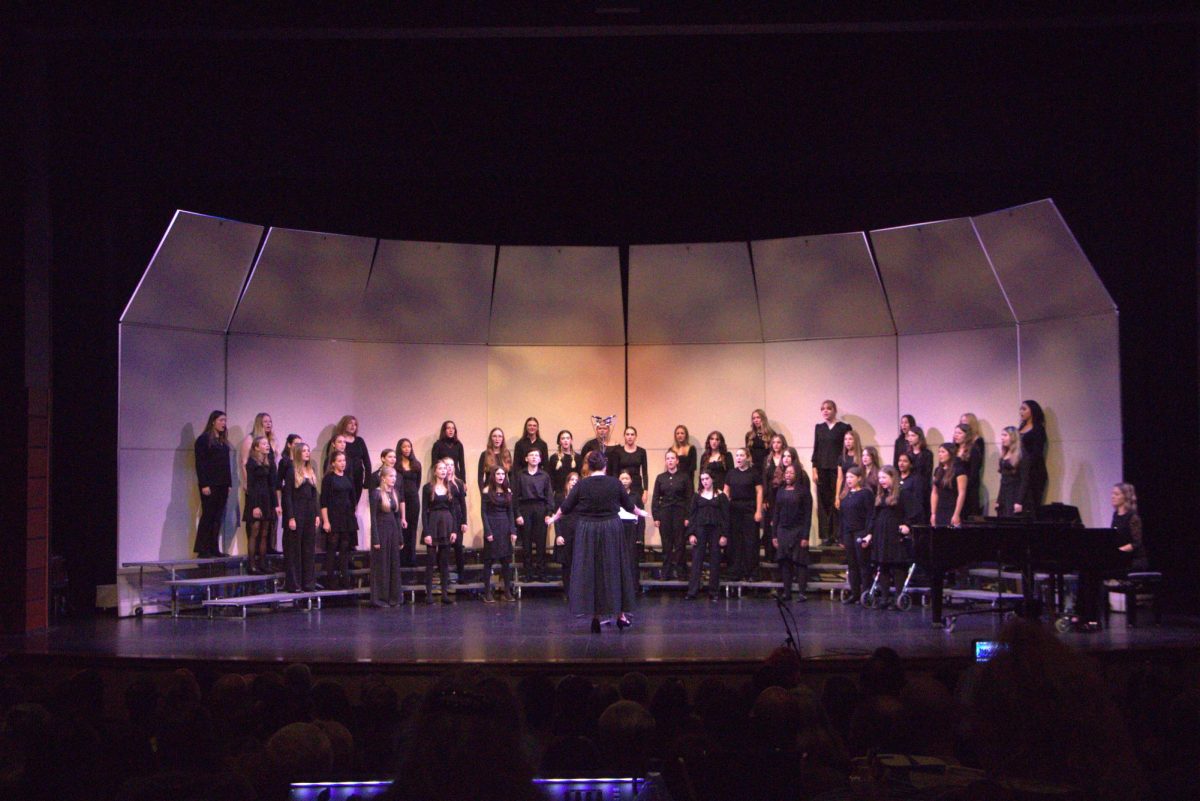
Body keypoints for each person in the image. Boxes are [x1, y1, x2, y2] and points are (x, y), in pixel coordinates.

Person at [548, 449, 649, 633]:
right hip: (610, 529)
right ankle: (620, 615)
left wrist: (553, 519)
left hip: (587, 530)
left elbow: (565, 507)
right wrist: (641, 513)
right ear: (605, 465)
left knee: (592, 571)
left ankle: (595, 618)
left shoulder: (582, 484)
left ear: (589, 465)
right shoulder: (614, 483)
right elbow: (629, 505)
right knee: (613, 571)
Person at [860, 466, 908, 608]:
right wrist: (869, 534)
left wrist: (907, 526)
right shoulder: (880, 496)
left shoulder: (903, 494)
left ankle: (898, 597)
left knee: (897, 566)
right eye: (879, 478)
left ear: (892, 477)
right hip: (881, 535)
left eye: (884, 478)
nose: (881, 481)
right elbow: (874, 517)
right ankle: (884, 598)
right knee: (883, 565)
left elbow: (910, 513)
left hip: (895, 533)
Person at [239, 413, 282, 555]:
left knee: (267, 526)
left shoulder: (271, 441)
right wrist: (247, 484)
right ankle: (253, 560)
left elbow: (272, 465)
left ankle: (266, 554)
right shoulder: (251, 439)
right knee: (255, 526)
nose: (269, 424)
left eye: (270, 421)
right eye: (265, 421)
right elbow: (245, 463)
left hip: (268, 488)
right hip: (255, 488)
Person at [422, 461, 464, 604]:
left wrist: (454, 530)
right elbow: (424, 511)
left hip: (447, 523)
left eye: (445, 469)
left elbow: (453, 510)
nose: (443, 471)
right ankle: (428, 594)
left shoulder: (451, 487)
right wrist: (426, 532)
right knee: (430, 560)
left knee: (444, 562)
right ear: (435, 471)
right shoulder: (427, 488)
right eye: (440, 468)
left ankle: (445, 593)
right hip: (433, 523)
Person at [771, 463, 813, 603]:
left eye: (791, 473)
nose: (788, 475)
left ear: (797, 475)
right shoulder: (781, 491)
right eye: (786, 473)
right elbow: (776, 513)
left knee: (800, 562)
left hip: (798, 530)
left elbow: (808, 515)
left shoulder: (803, 491)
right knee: (785, 561)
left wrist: (805, 536)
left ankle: (801, 592)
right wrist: (774, 535)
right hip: (783, 530)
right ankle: (787, 592)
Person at [812, 400, 852, 546]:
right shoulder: (819, 428)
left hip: (837, 469)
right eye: (823, 409)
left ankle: (837, 534)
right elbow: (816, 449)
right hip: (822, 469)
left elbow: (848, 448)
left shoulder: (844, 427)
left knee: (837, 501)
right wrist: (814, 469)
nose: (825, 411)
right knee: (824, 502)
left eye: (829, 408)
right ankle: (826, 535)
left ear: (834, 410)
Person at [685, 470, 729, 601]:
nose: (705, 481)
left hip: (716, 530)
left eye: (707, 478)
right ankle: (692, 591)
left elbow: (726, 517)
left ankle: (714, 592)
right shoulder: (697, 496)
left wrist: (724, 535)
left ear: (713, 479)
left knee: (715, 560)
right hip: (700, 530)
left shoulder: (721, 496)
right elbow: (691, 516)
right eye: (702, 479)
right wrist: (691, 533)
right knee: (697, 560)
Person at [281, 440, 319, 591]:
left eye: (308, 451)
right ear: (297, 453)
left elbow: (314, 495)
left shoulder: (311, 471)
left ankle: (308, 583)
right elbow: (287, 496)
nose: (307, 453)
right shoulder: (292, 471)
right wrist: (290, 517)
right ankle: (294, 584)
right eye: (304, 451)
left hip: (310, 512)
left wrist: (316, 514)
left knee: (309, 548)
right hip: (297, 512)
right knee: (294, 549)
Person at [194, 410, 232, 558]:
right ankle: (202, 549)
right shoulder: (203, 440)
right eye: (221, 420)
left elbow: (226, 465)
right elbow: (200, 463)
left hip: (222, 484)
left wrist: (228, 484)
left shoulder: (222, 441)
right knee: (208, 515)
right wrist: (204, 484)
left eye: (225, 421)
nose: (224, 423)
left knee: (218, 517)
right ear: (213, 421)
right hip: (210, 484)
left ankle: (214, 548)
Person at [320, 451, 358, 590]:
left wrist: (352, 512)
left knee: (345, 548)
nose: (343, 463)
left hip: (346, 516)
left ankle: (345, 579)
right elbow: (323, 501)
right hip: (334, 516)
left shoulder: (348, 477)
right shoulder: (329, 479)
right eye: (340, 461)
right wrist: (326, 521)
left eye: (344, 460)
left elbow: (352, 497)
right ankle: (330, 580)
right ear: (333, 463)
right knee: (332, 547)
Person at [652, 451, 693, 580]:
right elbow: (655, 498)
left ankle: (681, 572)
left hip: (680, 513)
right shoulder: (660, 478)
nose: (670, 461)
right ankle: (666, 572)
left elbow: (690, 498)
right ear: (666, 461)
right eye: (668, 458)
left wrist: (688, 517)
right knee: (666, 544)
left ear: (677, 461)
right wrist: (656, 517)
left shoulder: (684, 477)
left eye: (672, 458)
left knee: (680, 543)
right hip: (664, 513)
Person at [610, 427, 649, 563]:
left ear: (636, 436)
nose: (630, 437)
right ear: (624, 436)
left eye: (632, 434)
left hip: (637, 488)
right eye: (627, 434)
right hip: (621, 485)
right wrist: (615, 488)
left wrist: (646, 490)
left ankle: (638, 547)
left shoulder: (642, 451)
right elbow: (614, 471)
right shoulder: (618, 451)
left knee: (638, 519)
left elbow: (644, 472)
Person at [514, 449, 554, 581]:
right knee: (526, 543)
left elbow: (549, 495)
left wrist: (549, 513)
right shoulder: (520, 475)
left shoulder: (544, 475)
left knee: (541, 543)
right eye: (531, 455)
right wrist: (518, 514)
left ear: (540, 459)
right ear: (526, 458)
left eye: (537, 455)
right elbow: (515, 497)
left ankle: (542, 573)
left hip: (541, 508)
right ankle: (528, 574)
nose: (534, 457)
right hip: (525, 508)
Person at [724, 447, 763, 581]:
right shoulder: (731, 473)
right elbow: (726, 492)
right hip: (734, 509)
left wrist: (758, 511)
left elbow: (759, 492)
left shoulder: (754, 473)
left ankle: (751, 573)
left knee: (750, 542)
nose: (738, 458)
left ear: (747, 457)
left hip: (749, 509)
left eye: (741, 455)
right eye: (737, 456)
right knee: (735, 542)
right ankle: (735, 572)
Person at [480, 465, 518, 603]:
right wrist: (487, 531)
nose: (501, 476)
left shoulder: (508, 491)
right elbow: (483, 513)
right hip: (492, 525)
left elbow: (511, 512)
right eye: (498, 474)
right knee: (489, 561)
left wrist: (513, 530)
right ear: (493, 476)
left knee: (506, 561)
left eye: (503, 474)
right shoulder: (486, 491)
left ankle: (507, 591)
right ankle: (487, 592)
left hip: (505, 526)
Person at [369, 466, 406, 607]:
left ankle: (394, 597)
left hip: (393, 531)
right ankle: (380, 598)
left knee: (394, 565)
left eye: (395, 476)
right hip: (382, 531)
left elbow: (397, 518)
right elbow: (373, 518)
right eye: (391, 476)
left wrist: (400, 538)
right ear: (383, 478)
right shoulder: (376, 494)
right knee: (382, 565)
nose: (394, 479)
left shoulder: (394, 493)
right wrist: (375, 539)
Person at [242, 436, 278, 574]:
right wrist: (255, 506)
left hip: (267, 499)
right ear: (256, 447)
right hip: (255, 499)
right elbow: (251, 485)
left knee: (264, 533)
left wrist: (275, 504)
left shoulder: (268, 462)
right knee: (255, 530)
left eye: (267, 443)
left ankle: (262, 563)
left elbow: (272, 484)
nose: (267, 445)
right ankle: (251, 564)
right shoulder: (251, 463)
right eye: (263, 444)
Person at [839, 466, 873, 604]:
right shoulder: (846, 495)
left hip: (861, 531)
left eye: (851, 477)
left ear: (859, 478)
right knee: (852, 564)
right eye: (847, 477)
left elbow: (870, 515)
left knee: (863, 564)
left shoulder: (865, 494)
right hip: (848, 533)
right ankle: (855, 593)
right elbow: (842, 517)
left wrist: (868, 533)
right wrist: (841, 535)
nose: (848, 480)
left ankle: (865, 594)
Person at [329, 415, 370, 500]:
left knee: (355, 502)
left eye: (355, 424)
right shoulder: (338, 440)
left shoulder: (359, 441)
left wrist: (367, 481)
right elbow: (331, 459)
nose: (353, 426)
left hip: (358, 476)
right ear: (344, 424)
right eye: (350, 423)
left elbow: (366, 461)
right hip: (344, 476)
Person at [395, 438, 422, 567]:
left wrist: (413, 493)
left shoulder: (416, 464)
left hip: (413, 500)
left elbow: (418, 484)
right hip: (400, 499)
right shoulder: (396, 465)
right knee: (401, 528)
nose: (407, 449)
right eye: (404, 447)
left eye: (409, 446)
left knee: (412, 528)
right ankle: (401, 558)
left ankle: (411, 558)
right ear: (400, 448)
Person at [554, 472, 581, 596]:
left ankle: (577, 592)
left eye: (576, 480)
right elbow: (557, 517)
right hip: (564, 532)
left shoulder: (581, 497)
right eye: (572, 479)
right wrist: (558, 535)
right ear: (567, 482)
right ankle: (567, 591)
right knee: (566, 564)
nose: (574, 482)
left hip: (578, 532)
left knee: (578, 563)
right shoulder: (560, 497)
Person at [1018, 400, 1049, 507]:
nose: (1021, 411)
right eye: (1020, 409)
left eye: (1024, 409)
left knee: (1032, 505)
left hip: (1034, 473)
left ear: (1032, 411)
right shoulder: (1020, 428)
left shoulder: (1038, 429)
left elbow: (1037, 453)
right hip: (1021, 473)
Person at [996, 426, 1032, 516]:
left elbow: (1025, 480)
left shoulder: (1022, 455)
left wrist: (1019, 501)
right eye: (1002, 435)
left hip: (1015, 493)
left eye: (1005, 435)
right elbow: (1003, 480)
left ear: (1013, 437)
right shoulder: (1005, 454)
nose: (1002, 438)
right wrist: (999, 499)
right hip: (1005, 493)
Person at [930, 442, 967, 527]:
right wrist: (933, 513)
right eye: (939, 452)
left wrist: (956, 514)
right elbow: (934, 493)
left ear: (951, 453)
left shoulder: (959, 470)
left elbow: (961, 493)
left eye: (943, 452)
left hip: (952, 509)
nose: (940, 454)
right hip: (940, 509)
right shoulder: (938, 470)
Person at [1111, 483, 1147, 570]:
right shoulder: (1115, 515)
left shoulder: (1133, 517)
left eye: (1116, 494)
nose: (1112, 496)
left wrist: (1117, 552)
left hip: (1134, 560)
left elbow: (1136, 543)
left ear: (1125, 496)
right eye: (1112, 493)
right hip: (1122, 557)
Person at [954, 421, 984, 518]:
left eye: (959, 433)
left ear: (966, 435)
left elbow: (974, 473)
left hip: (969, 491)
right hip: (955, 490)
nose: (956, 435)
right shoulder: (954, 449)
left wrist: (965, 487)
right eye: (955, 433)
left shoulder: (973, 450)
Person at [905, 426, 933, 519]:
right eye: (909, 436)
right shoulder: (907, 454)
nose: (910, 438)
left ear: (919, 437)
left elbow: (927, 473)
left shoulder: (927, 454)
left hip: (922, 489)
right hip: (909, 488)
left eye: (913, 436)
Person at [745, 409, 774, 478]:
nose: (756, 420)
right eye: (753, 418)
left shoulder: (771, 434)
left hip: (766, 467)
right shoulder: (749, 435)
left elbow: (773, 452)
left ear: (763, 419)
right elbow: (747, 452)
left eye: (758, 417)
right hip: (753, 467)